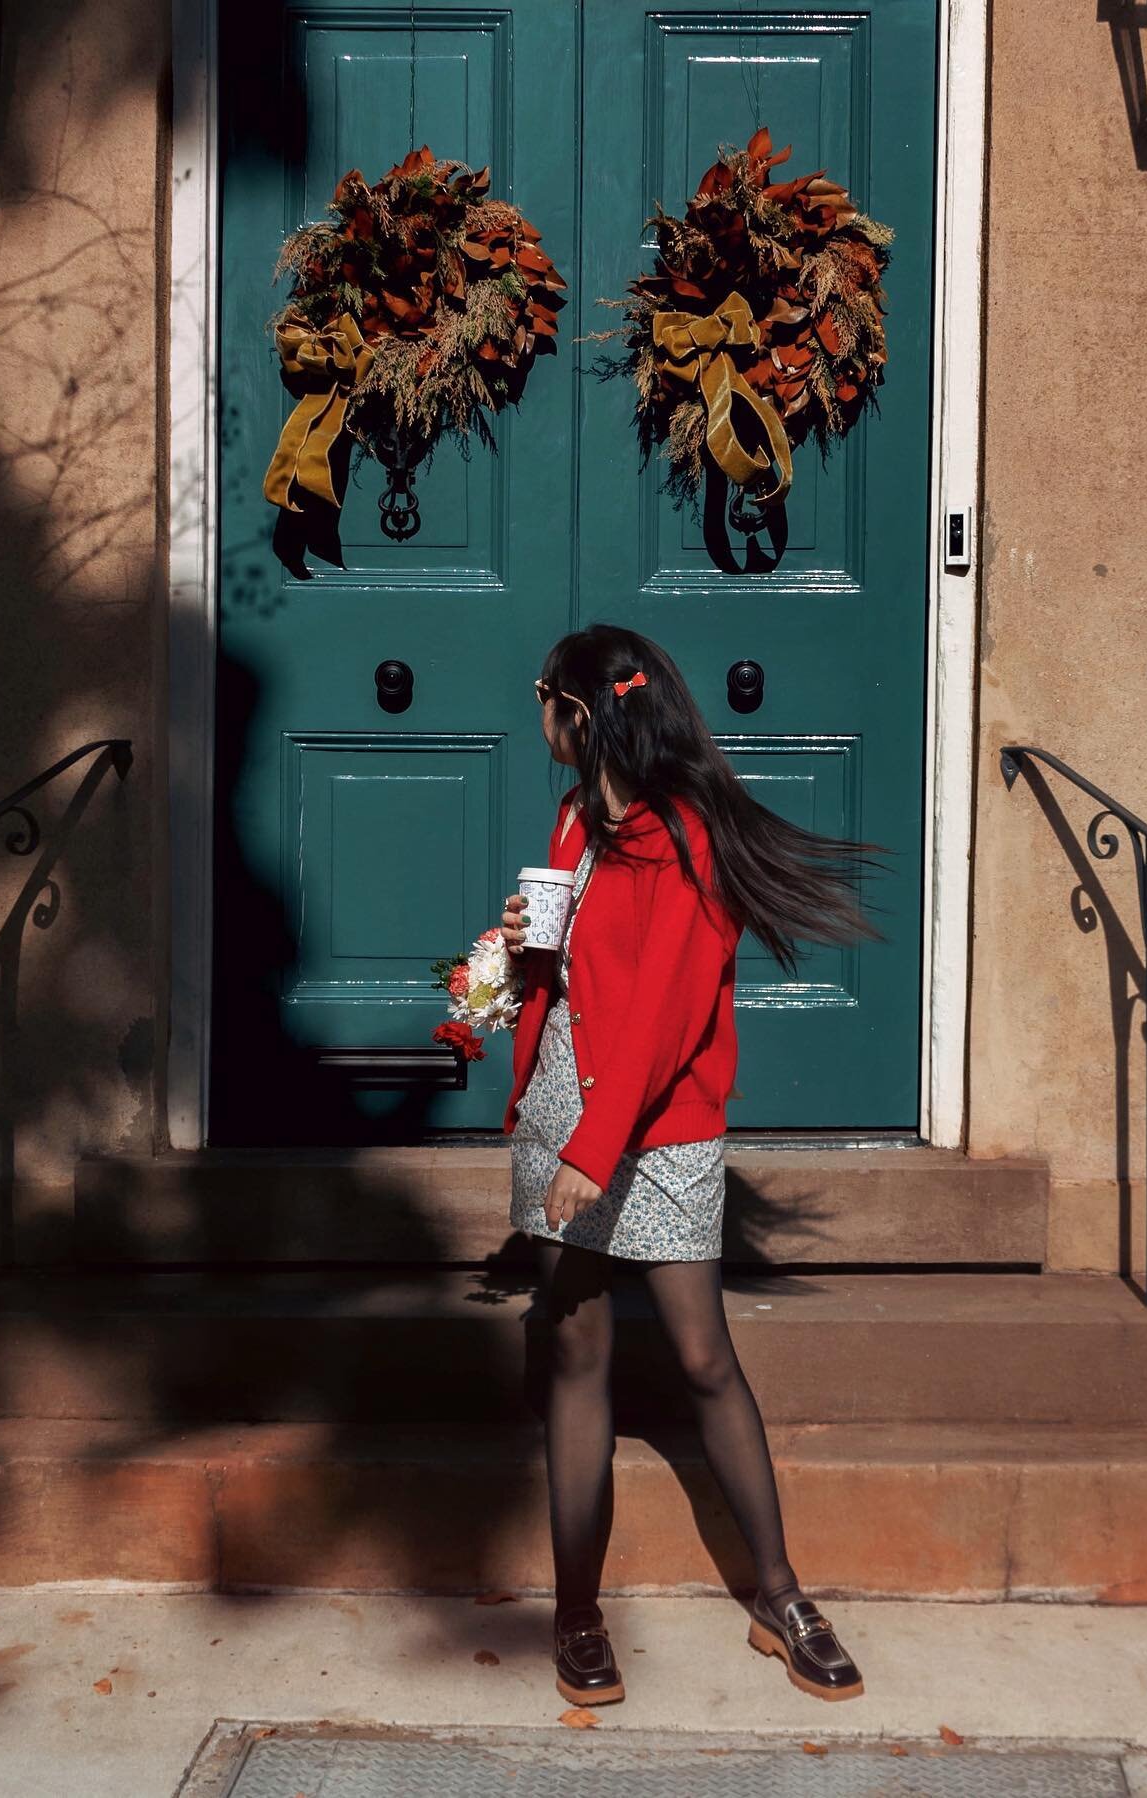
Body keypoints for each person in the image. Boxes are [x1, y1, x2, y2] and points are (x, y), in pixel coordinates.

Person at [498, 622, 886, 1709]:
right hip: (565, 1107)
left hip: (654, 1126)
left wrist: (595, 1148)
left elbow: (667, 1012)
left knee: (704, 1356)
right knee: (576, 1361)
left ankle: (780, 1594)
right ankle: (576, 1612)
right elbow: (573, 971)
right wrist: (522, 939)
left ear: (579, 713)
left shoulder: (687, 834)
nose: (537, 716)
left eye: (542, 698)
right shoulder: (578, 818)